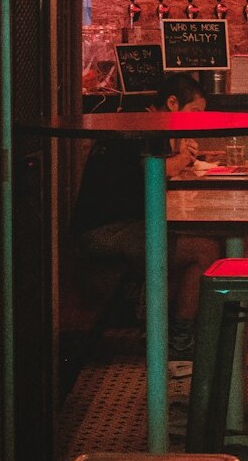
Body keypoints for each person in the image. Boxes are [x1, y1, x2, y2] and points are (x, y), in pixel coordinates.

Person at [71, 74, 221, 362]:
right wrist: (183, 158)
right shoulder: (142, 128)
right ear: (173, 103)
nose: (198, 121)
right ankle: (178, 337)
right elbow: (155, 172)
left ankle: (158, 330)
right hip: (104, 232)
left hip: (117, 225)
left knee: (187, 245)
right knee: (206, 249)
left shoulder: (146, 125)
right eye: (195, 113)